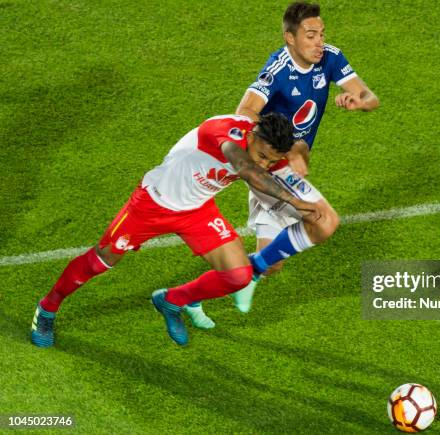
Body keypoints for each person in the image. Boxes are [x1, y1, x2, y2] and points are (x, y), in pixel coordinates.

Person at [30, 112, 326, 347]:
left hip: (197, 211)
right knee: (101, 260)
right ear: (251, 134)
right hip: (152, 204)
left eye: (271, 160)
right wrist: (293, 202)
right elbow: (248, 170)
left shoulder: (267, 153)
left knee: (239, 276)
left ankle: (171, 301)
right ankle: (48, 308)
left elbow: (278, 168)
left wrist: (306, 198)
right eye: (262, 155)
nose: (265, 163)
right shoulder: (223, 131)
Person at [185, 1, 379, 328]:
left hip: (283, 164)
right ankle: (195, 293)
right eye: (310, 35)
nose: (319, 42)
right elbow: (245, 110)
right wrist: (285, 149)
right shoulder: (277, 69)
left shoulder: (330, 57)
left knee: (271, 263)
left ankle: (194, 295)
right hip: (272, 166)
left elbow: (370, 97)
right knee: (324, 221)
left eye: (321, 34)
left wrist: (356, 101)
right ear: (290, 38)